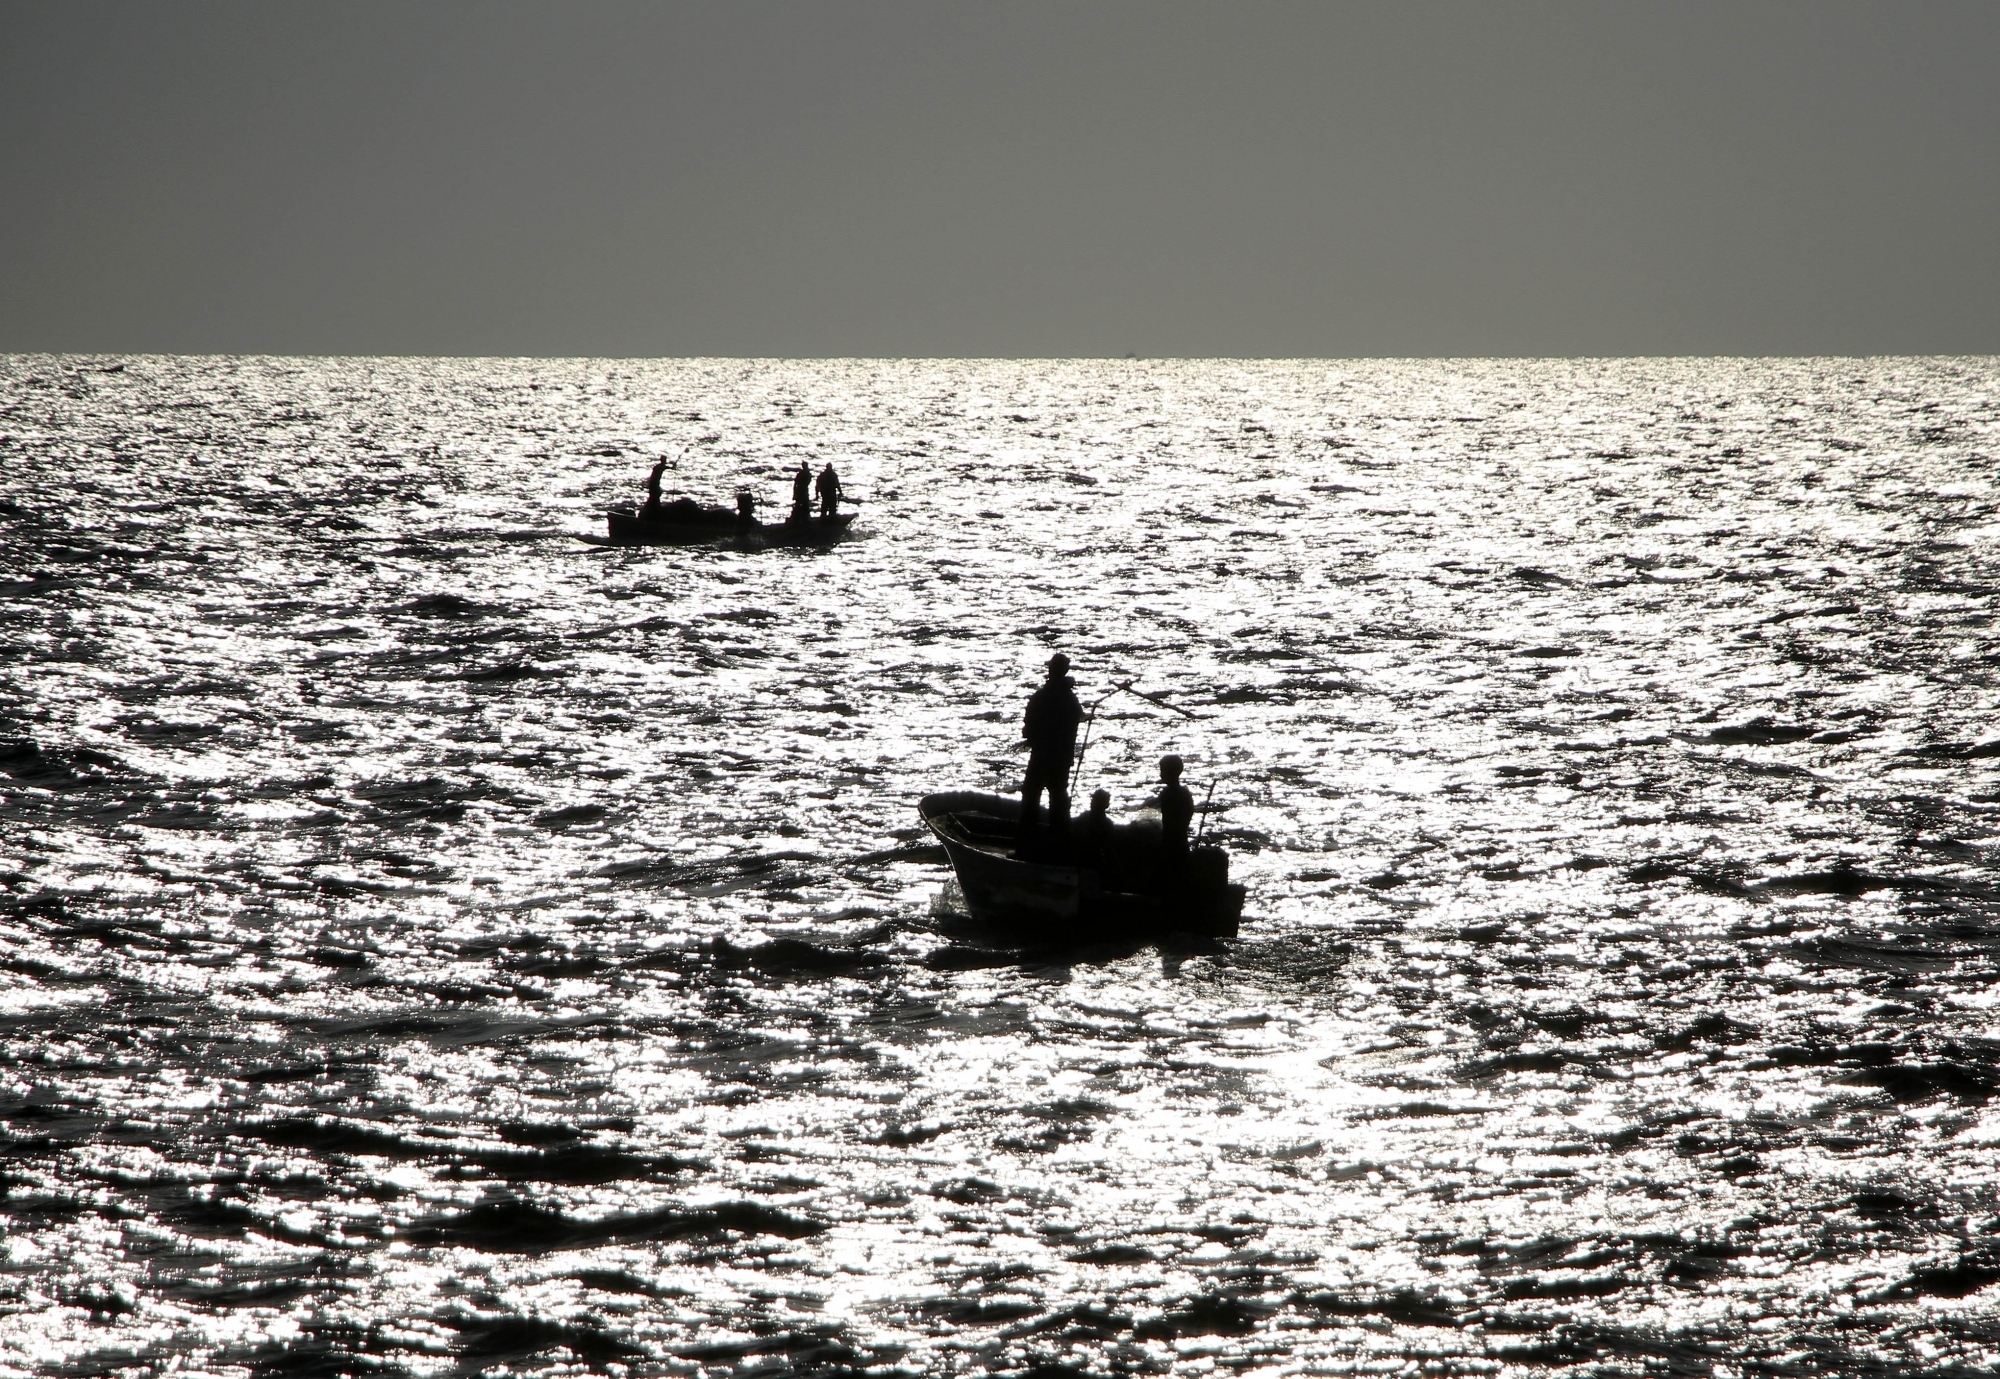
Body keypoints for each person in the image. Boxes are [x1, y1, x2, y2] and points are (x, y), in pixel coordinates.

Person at [1016, 652, 1083, 853]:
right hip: (1062, 759)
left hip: (1042, 757)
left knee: (1031, 798)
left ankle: (1025, 846)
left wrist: (1032, 737)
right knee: (1059, 800)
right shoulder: (1071, 699)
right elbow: (1077, 719)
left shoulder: (1042, 697)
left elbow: (1028, 728)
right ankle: (1060, 846)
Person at [1156, 754, 1194, 863]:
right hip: (1182, 840)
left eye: (1163, 770)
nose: (1161, 774)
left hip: (1170, 843)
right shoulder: (1185, 793)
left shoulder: (1167, 794)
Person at [1077, 788, 1114, 870]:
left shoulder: (1084, 817)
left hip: (1086, 859)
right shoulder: (1107, 824)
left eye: (1094, 800)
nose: (1091, 802)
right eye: (1092, 799)